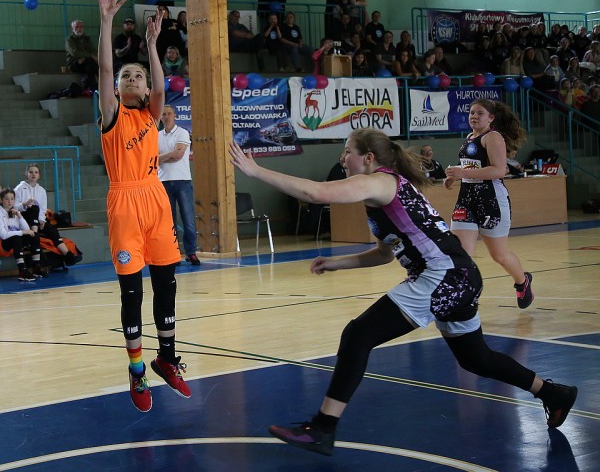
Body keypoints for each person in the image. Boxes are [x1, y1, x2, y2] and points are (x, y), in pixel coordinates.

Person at [229, 129, 578, 457]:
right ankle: (553, 392)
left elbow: (315, 194)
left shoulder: (379, 182)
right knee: (476, 359)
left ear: (368, 158)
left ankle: (323, 428)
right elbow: (385, 253)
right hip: (458, 275)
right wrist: (337, 263)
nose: (342, 158)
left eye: (348, 151)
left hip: (443, 275)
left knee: (358, 335)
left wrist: (256, 171)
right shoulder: (382, 191)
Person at [95, 0, 190, 413]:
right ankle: (136, 371)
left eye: (138, 76)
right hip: (125, 203)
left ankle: (166, 358)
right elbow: (104, 68)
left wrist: (152, 45)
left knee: (166, 283)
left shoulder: (152, 114)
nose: (132, 79)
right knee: (131, 293)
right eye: (125, 77)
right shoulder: (112, 116)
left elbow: (160, 88)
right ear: (116, 89)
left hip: (155, 199)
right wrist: (107, 21)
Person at [444, 98, 534, 309]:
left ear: (491, 118)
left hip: (491, 201)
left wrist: (463, 172)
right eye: (472, 113)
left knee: (499, 255)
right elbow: (472, 167)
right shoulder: (469, 138)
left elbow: (499, 170)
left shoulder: (493, 137)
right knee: (461, 253)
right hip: (466, 201)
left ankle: (522, 281)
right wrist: (455, 176)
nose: (474, 116)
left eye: (480, 113)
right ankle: (462, 298)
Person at [158, 105, 200, 266]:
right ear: (160, 117)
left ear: (174, 115)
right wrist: (169, 155)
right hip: (163, 182)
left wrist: (162, 157)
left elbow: (179, 155)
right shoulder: (156, 136)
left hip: (182, 181)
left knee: (188, 219)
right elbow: (153, 159)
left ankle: (191, 252)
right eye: (163, 114)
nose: (166, 116)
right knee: (169, 222)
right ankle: (173, 253)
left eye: (169, 113)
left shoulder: (182, 133)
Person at [14, 164, 77, 267]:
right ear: (26, 174)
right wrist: (24, 204)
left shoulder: (42, 190)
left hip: (36, 221)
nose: (33, 174)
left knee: (52, 230)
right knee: (33, 207)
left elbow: (43, 209)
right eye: (31, 172)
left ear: (39, 175)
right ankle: (34, 237)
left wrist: (42, 220)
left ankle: (67, 254)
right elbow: (14, 208)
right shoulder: (19, 189)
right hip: (23, 220)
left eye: (36, 172)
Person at [0, 187, 44, 281]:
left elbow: (27, 230)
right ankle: (22, 271)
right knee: (16, 238)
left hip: (17, 241)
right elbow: (3, 235)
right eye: (6, 199)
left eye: (12, 199)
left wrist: (20, 216)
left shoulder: (15, 211)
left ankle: (36, 267)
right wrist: (22, 232)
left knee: (34, 235)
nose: (10, 201)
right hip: (4, 244)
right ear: (1, 200)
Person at [65, 19, 99, 89]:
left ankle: (93, 86)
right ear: (72, 29)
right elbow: (74, 53)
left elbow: (94, 51)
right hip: (74, 63)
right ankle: (99, 86)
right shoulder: (69, 40)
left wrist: (85, 57)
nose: (79, 29)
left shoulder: (87, 38)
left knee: (90, 67)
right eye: (76, 27)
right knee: (92, 63)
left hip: (87, 62)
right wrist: (90, 55)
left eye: (81, 27)